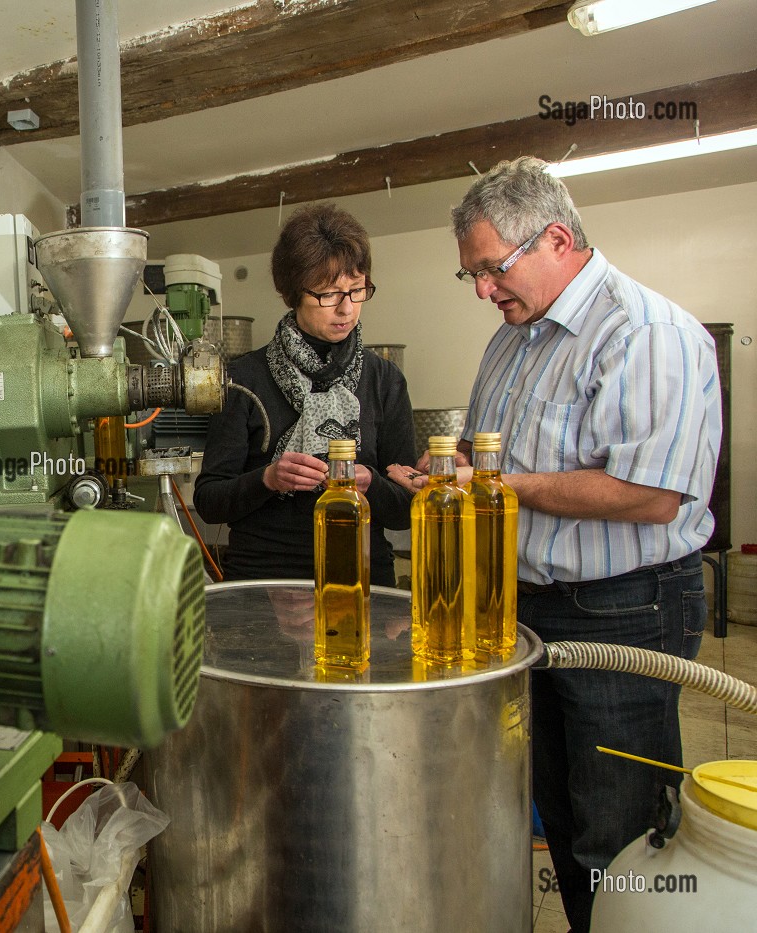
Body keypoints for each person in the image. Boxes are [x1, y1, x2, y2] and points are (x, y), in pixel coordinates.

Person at [390, 156, 720, 932]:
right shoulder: (513, 339)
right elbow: (488, 456)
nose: (481, 289)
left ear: (558, 239)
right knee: (555, 816)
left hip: (626, 608)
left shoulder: (646, 332)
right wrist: (449, 472)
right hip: (528, 607)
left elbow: (651, 493)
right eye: (469, 274)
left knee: (621, 832)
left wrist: (501, 486)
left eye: (491, 269)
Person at [194, 203, 415, 585]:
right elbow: (210, 501)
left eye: (357, 290)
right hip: (264, 581)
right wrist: (268, 478)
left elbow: (406, 508)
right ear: (292, 293)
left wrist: (371, 484)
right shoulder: (243, 379)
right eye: (328, 294)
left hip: (361, 578)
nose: (346, 309)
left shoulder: (385, 380)